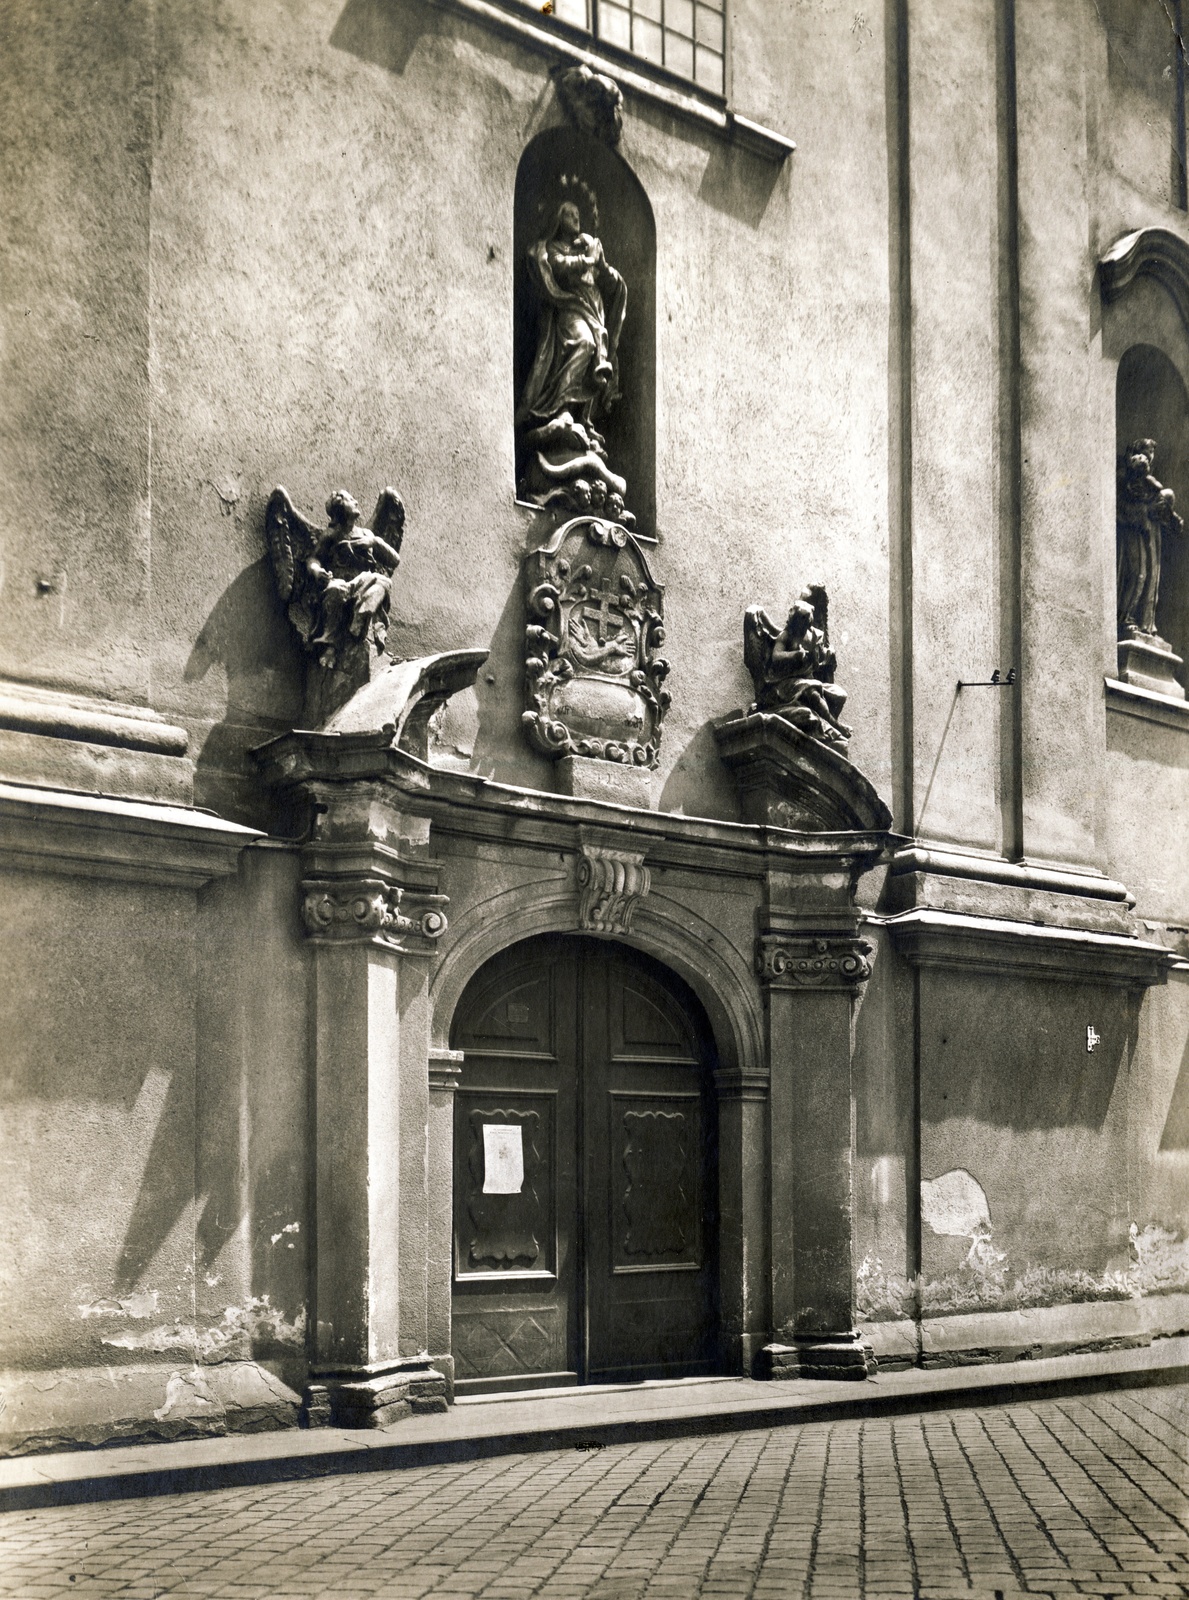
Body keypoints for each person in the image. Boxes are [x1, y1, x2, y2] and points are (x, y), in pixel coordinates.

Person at [517, 201, 627, 434]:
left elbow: (611, 283)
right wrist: (587, 260)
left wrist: (601, 263)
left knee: (596, 358)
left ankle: (583, 418)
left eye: (578, 214)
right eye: (570, 214)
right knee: (584, 343)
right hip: (570, 306)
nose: (576, 218)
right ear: (559, 219)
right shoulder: (554, 247)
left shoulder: (587, 247)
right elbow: (557, 265)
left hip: (594, 310)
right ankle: (560, 408)